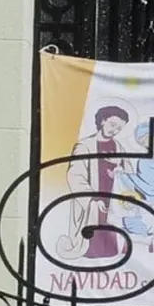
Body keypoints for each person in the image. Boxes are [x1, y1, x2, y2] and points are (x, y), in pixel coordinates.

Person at [58, 104, 132, 261]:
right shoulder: (85, 146)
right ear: (103, 120)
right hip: (92, 200)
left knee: (113, 243)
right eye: (112, 124)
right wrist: (92, 199)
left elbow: (129, 174)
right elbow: (75, 175)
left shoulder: (120, 148)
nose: (115, 130)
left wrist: (122, 177)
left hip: (114, 200)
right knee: (92, 241)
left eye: (119, 128)